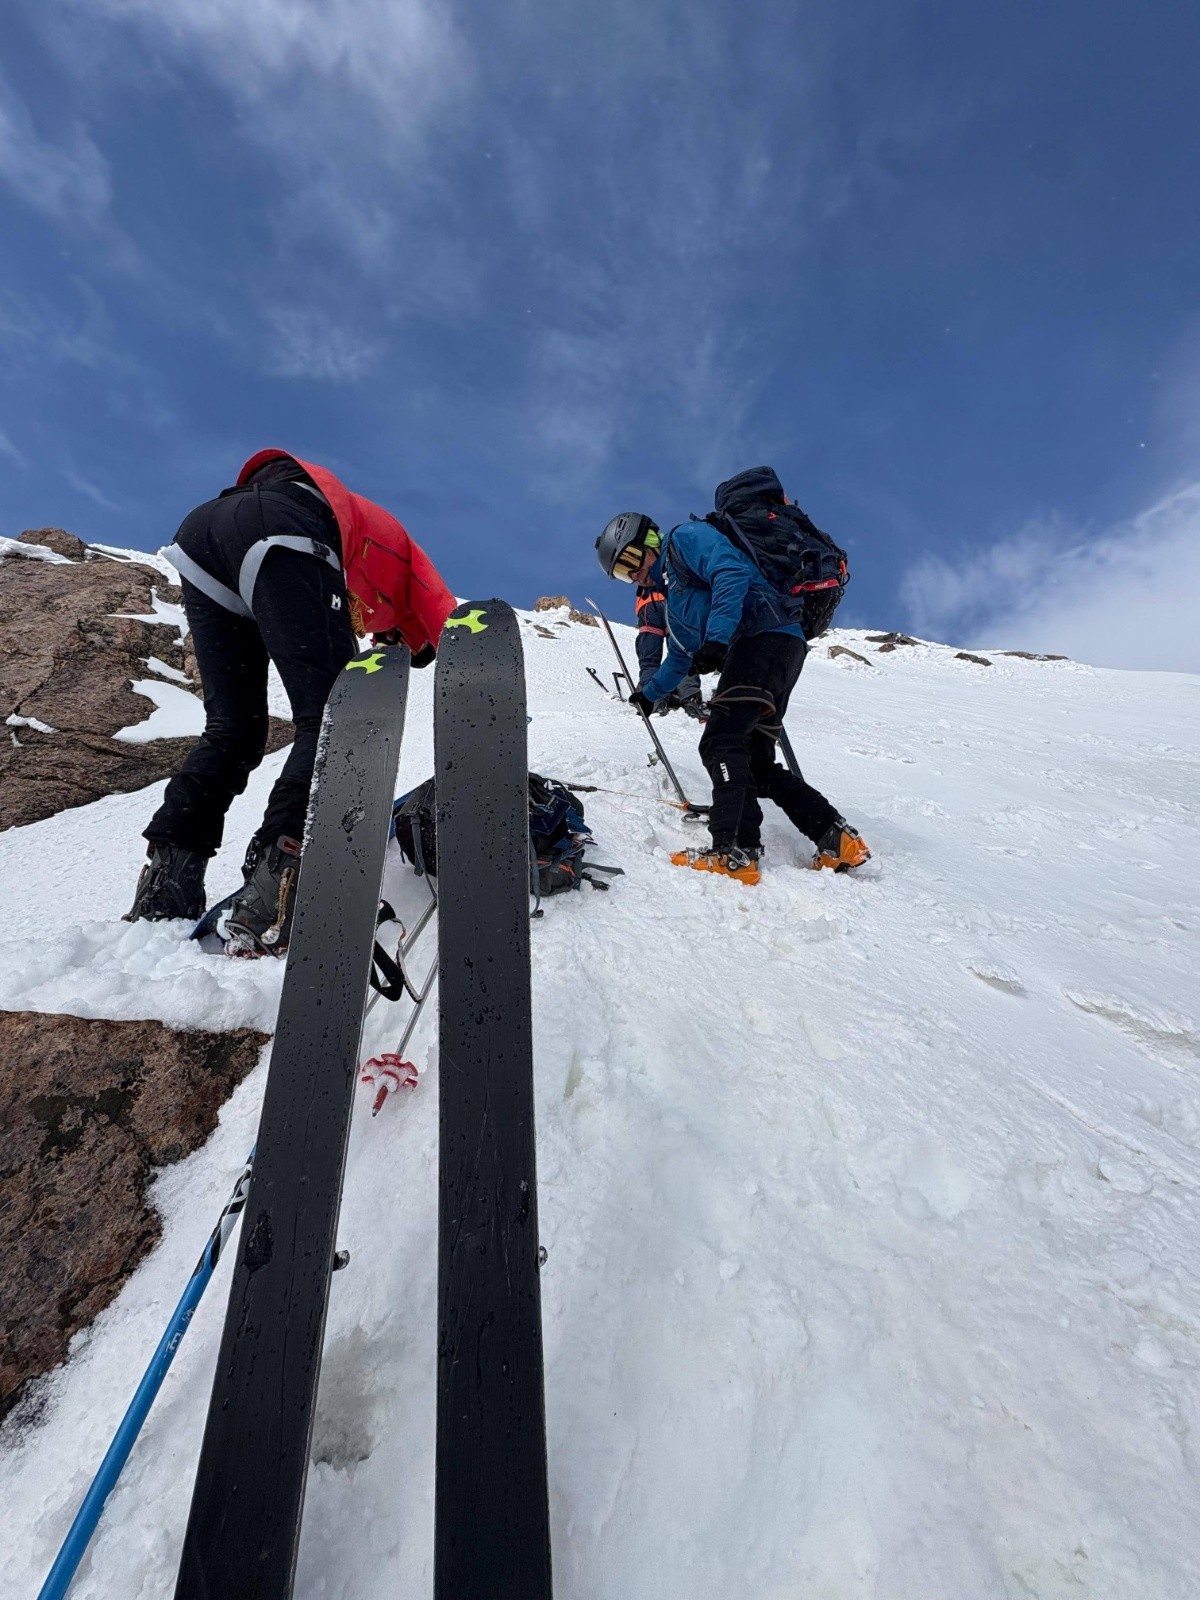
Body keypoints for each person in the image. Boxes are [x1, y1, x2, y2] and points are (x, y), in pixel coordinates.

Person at [125, 449, 455, 951]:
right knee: (332, 716)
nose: (390, 645)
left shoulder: (365, 578)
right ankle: (282, 878)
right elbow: (455, 625)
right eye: (406, 646)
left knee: (234, 728)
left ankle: (169, 880)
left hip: (208, 535)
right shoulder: (408, 564)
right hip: (282, 524)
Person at [595, 472, 870, 886]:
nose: (632, 575)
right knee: (756, 765)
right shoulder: (676, 596)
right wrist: (650, 695)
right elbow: (681, 655)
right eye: (621, 573)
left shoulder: (684, 540)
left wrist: (719, 640)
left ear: (649, 540)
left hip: (763, 640)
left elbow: (731, 573)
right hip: (776, 650)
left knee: (720, 742)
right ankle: (837, 839)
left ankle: (734, 851)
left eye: (631, 561)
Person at [635, 582, 704, 717]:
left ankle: (654, 698)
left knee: (650, 660)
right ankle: (690, 695)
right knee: (683, 652)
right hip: (675, 601)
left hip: (648, 604)